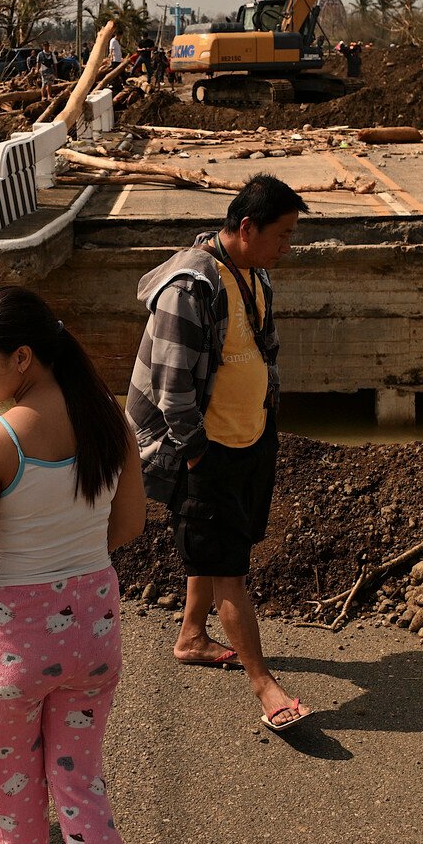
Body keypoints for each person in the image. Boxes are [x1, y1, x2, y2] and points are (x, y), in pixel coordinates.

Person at [0, 285, 144, 844]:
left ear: (22, 357)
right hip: (93, 624)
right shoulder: (113, 424)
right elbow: (127, 528)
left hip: (11, 643)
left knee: (16, 776)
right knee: (79, 778)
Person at [125, 174, 313, 733]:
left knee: (214, 550)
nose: (287, 247)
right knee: (229, 569)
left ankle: (190, 637)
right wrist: (195, 455)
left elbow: (262, 350)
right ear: (247, 227)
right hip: (205, 449)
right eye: (282, 235)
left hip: (247, 436)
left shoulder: (253, 276)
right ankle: (266, 684)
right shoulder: (191, 287)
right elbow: (171, 385)